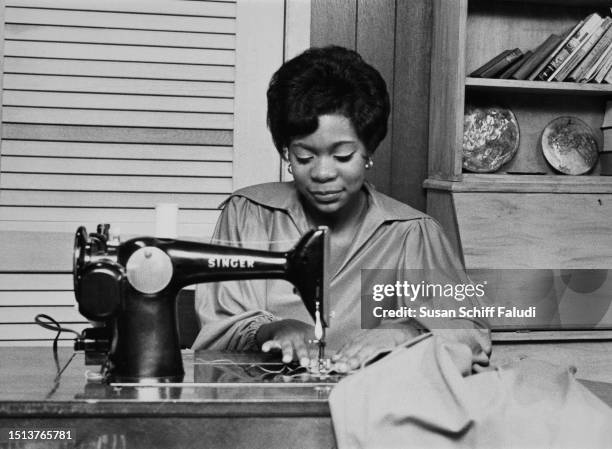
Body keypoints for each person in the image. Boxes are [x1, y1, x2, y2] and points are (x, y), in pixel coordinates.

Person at [192, 46, 491, 372]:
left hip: (373, 409)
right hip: (264, 407)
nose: (322, 173)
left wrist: (404, 332)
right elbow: (218, 329)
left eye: (343, 156)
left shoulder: (410, 234)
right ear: (286, 153)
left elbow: (468, 334)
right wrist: (274, 329)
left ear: (368, 151)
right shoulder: (248, 215)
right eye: (304, 157)